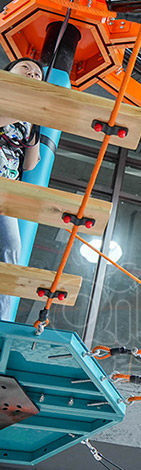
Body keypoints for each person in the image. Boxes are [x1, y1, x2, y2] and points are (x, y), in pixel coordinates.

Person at [0, 58, 44, 321]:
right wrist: (23, 111)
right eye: (25, 68)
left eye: (37, 74)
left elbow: (29, 164)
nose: (32, 73)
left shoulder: (30, 119)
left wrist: (35, 119)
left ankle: (1, 319)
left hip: (7, 189)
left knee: (11, 248)